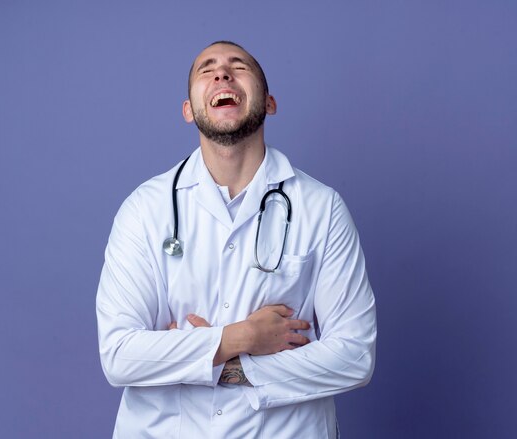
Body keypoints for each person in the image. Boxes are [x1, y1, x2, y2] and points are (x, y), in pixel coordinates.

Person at [96, 40, 377, 438]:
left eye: (238, 66)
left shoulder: (322, 208)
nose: (222, 73)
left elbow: (354, 356)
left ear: (270, 103)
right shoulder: (144, 209)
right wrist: (242, 337)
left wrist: (229, 365)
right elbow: (120, 356)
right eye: (206, 69)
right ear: (189, 111)